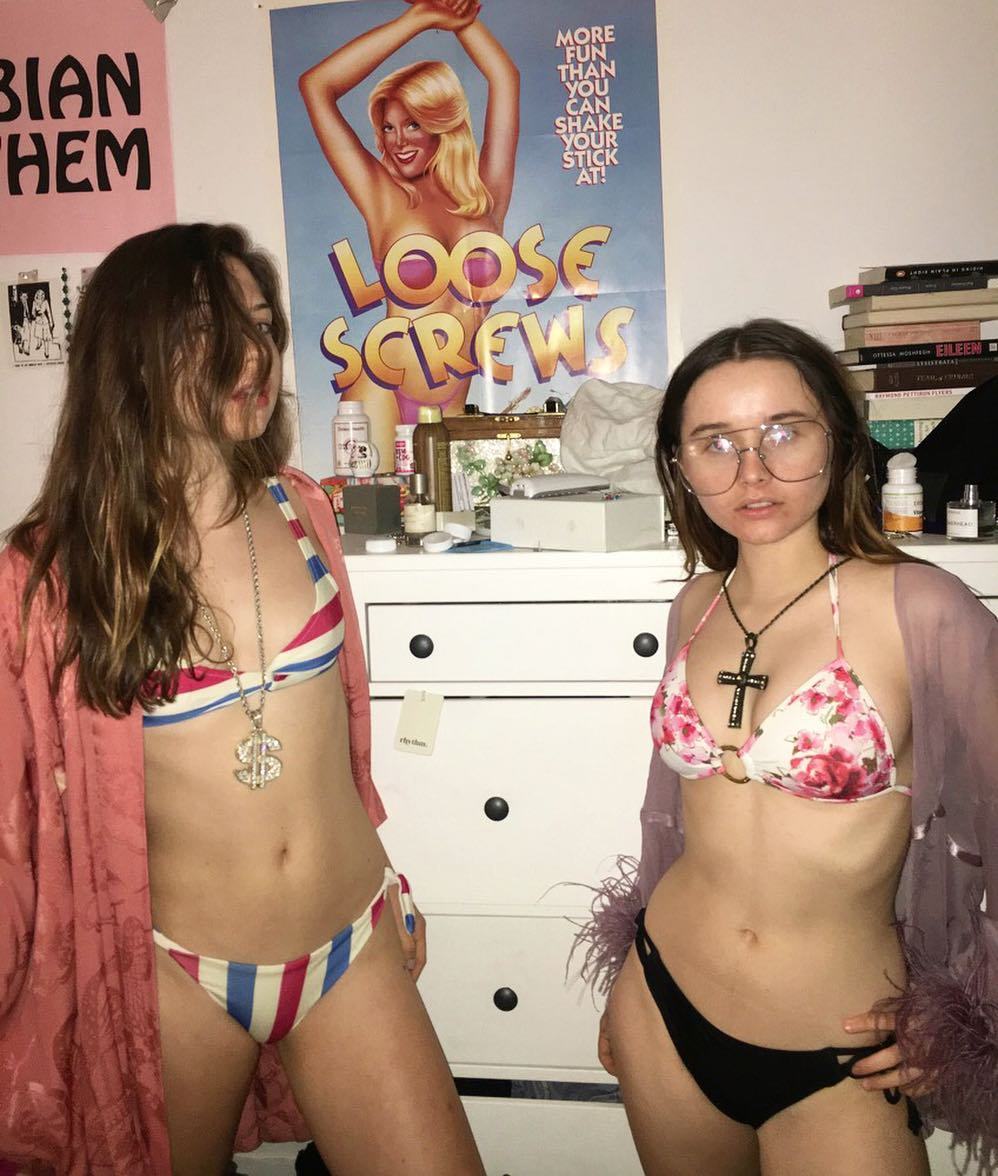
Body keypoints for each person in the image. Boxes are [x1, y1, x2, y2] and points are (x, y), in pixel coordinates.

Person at [0, 223, 483, 1175]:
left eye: (261, 324)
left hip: (352, 938)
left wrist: (392, 877)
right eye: (205, 329)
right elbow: (14, 827)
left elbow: (334, 749)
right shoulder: (50, 575)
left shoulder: (304, 508)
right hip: (176, 970)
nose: (251, 354)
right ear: (131, 354)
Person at [576, 319, 997, 1175]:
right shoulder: (695, 604)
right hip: (662, 1004)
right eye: (716, 442)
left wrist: (974, 1015)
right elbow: (672, 817)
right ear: (679, 466)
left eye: (783, 432)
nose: (752, 472)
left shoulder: (923, 607)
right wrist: (625, 981)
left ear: (837, 441)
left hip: (840, 1050)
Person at [299, 0, 519, 468]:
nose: (397, 141)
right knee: (375, 515)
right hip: (381, 392)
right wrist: (418, 19)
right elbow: (317, 85)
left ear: (442, 123)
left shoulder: (485, 198)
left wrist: (460, 18)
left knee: (457, 514)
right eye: (388, 128)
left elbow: (505, 78)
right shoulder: (384, 196)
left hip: (452, 405)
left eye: (413, 124)